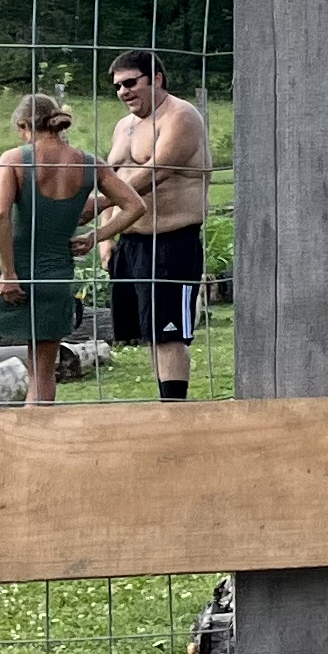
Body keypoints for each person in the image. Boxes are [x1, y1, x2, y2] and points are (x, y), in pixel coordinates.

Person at [0, 93, 147, 408]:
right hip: (55, 276)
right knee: (43, 371)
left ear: (24, 125)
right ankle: (37, 444)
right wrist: (95, 236)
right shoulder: (90, 163)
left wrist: (8, 272)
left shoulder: (14, 159)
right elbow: (135, 205)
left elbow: (0, 215)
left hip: (7, 271)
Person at [95, 48, 213, 399]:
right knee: (150, 332)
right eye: (117, 86)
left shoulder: (181, 116)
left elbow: (157, 172)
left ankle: (174, 409)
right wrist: (107, 239)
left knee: (170, 333)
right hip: (131, 243)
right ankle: (164, 403)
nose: (123, 92)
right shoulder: (124, 126)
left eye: (130, 83)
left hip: (172, 240)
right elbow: (111, 179)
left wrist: (99, 205)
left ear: (156, 79)